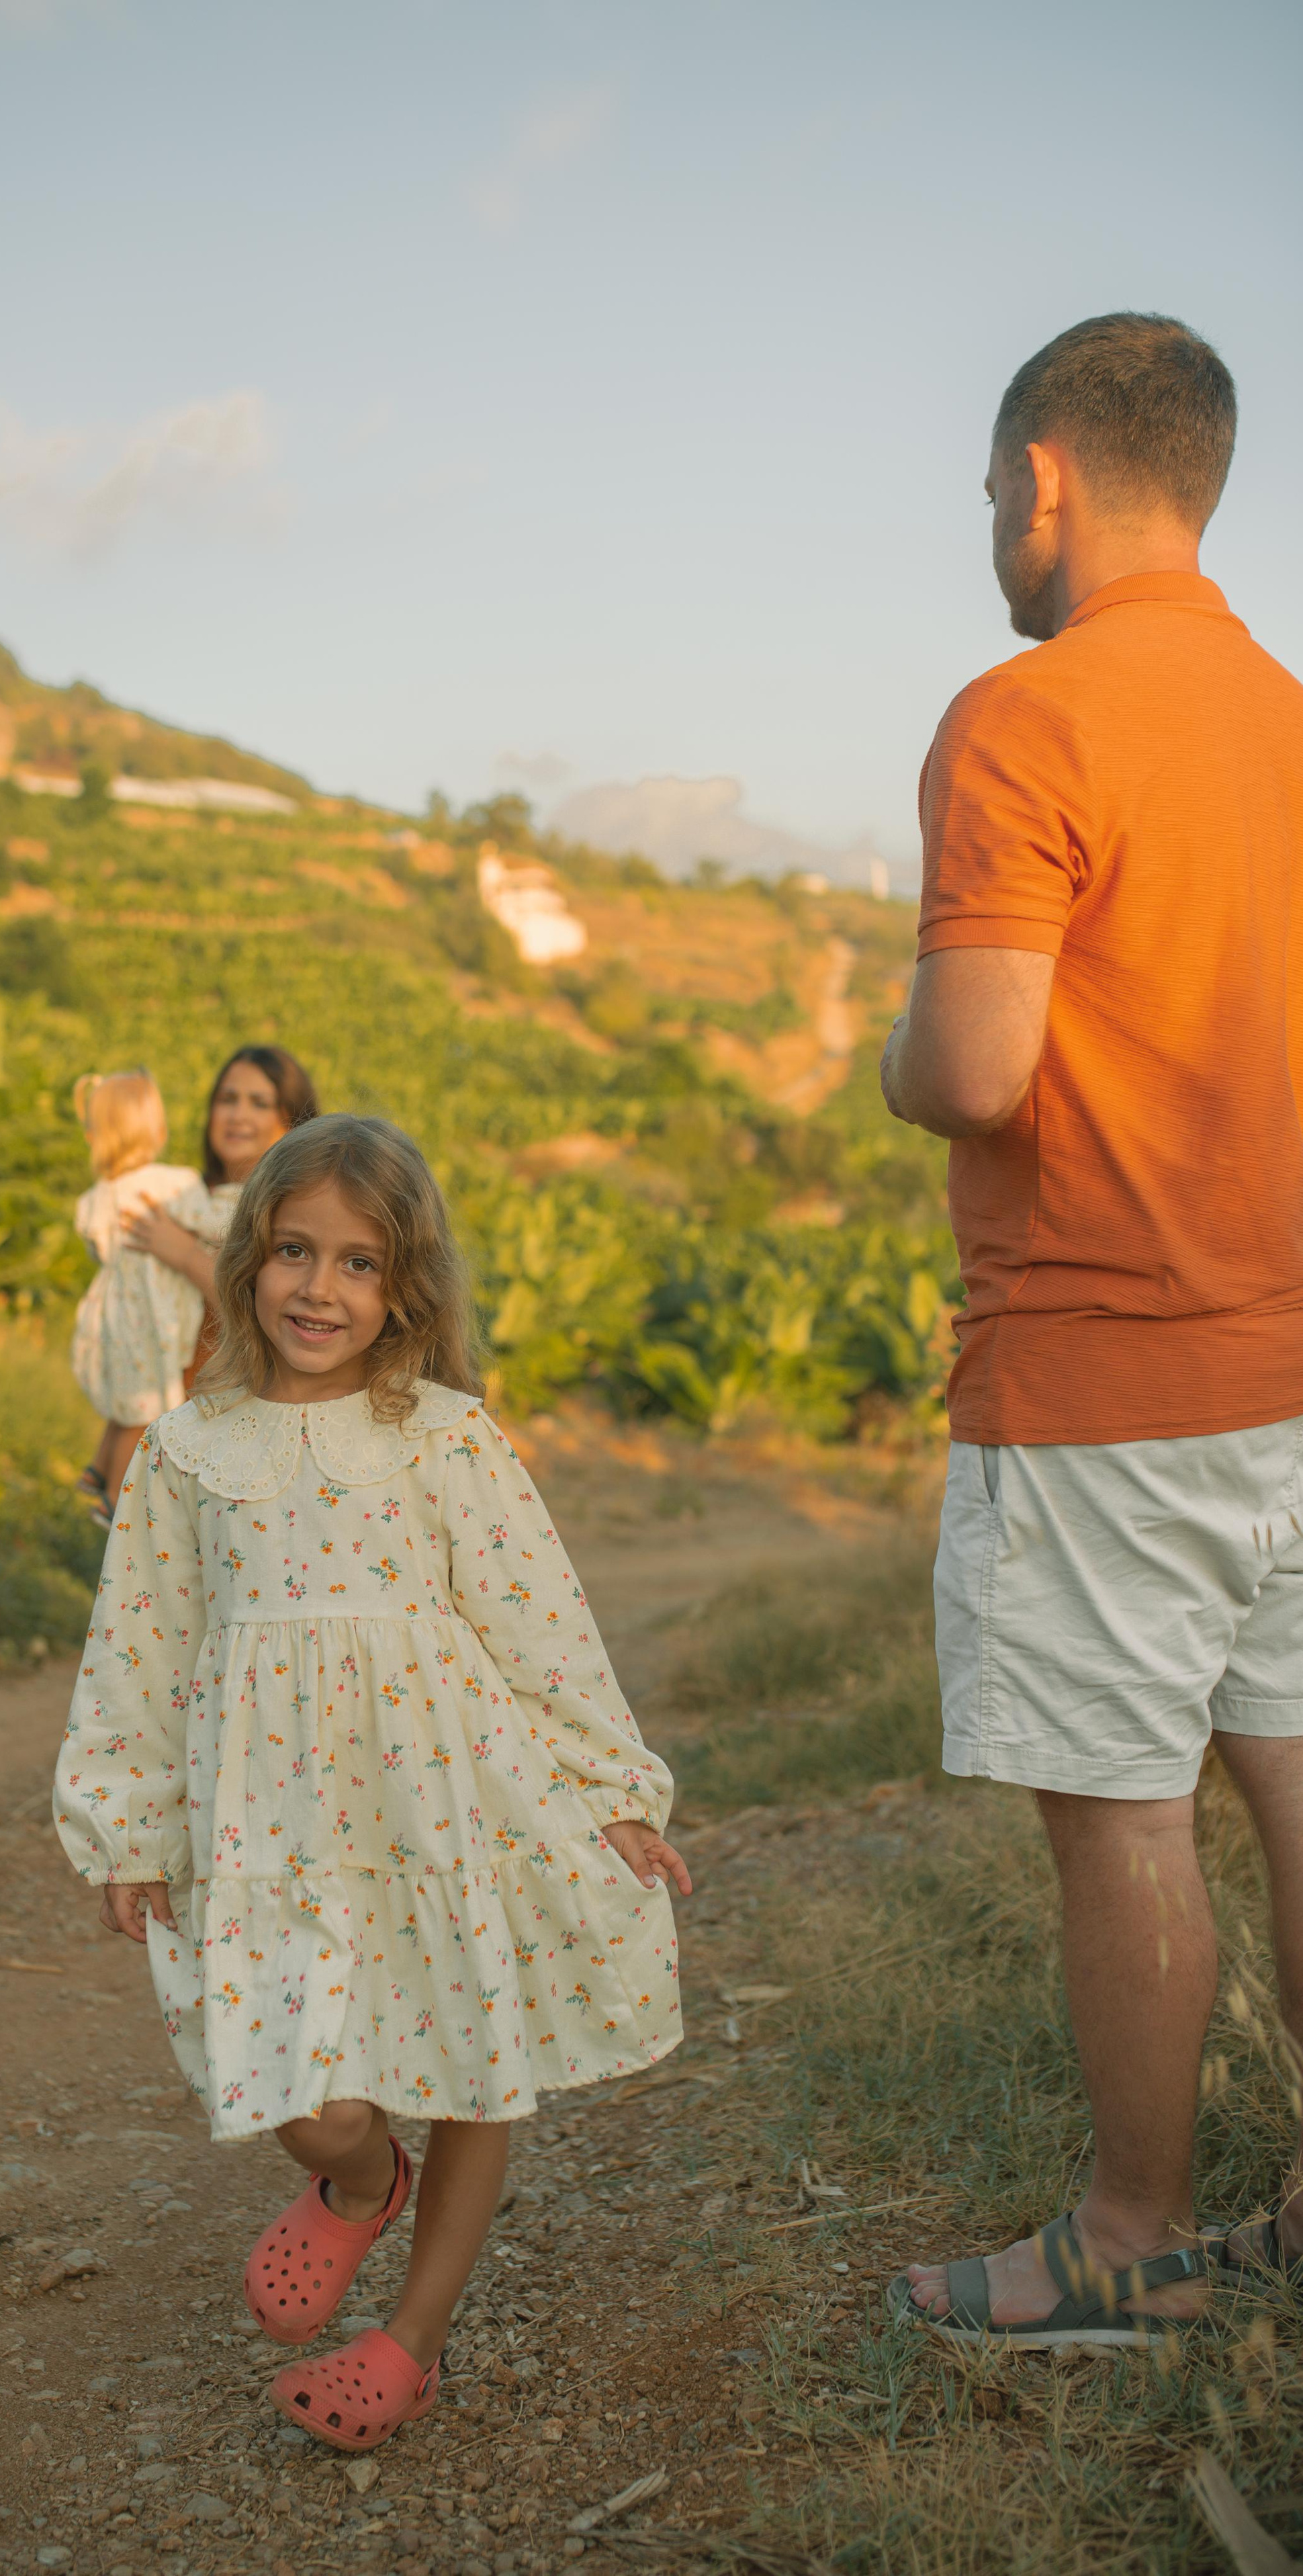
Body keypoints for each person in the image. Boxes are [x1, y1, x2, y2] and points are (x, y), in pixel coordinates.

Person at [881, 313, 1303, 2347]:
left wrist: (890, 1047)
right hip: (1293, 1366)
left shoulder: (1022, 717)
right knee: (1296, 1776)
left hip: (1101, 1382)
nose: (989, 533)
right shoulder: (1290, 719)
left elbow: (975, 1068)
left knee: (1127, 1821)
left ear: (1042, 476)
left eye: (987, 497)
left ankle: (1130, 2242)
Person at [53, 1113, 690, 2447]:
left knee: (469, 2065)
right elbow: (140, 1648)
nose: (318, 1289)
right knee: (301, 2092)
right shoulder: (186, 1454)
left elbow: (536, 1625)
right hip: (267, 1829)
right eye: (292, 1251)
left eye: (356, 1263)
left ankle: (411, 2340)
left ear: (404, 1285)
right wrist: (124, 1823)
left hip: (442, 1807)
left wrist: (611, 1790)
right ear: (246, 1260)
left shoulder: (443, 1438)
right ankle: (357, 2184)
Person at [69, 1071, 215, 1529]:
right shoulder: (176, 1183)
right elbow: (211, 1225)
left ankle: (97, 1468)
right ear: (158, 1130)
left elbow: (98, 1249)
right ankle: (115, 1500)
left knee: (127, 1399)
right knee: (145, 1408)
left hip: (111, 1315)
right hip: (152, 1320)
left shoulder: (96, 1199)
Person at [121, 1045, 319, 1383]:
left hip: (232, 1399)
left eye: (259, 1103)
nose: (237, 1115)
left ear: (292, 1122)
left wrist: (184, 1254)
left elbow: (261, 1309)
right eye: (227, 1099)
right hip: (155, 1393)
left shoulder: (296, 1212)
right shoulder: (186, 1199)